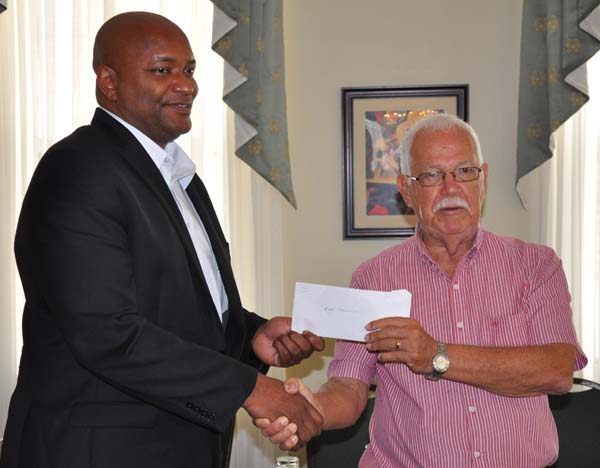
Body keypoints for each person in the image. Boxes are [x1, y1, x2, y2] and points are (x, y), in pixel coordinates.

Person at [0, 12, 324, 468]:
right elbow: (106, 332)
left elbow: (178, 313)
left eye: (189, 70)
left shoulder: (179, 177)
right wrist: (250, 389)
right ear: (108, 82)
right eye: (162, 70)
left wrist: (251, 337)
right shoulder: (78, 169)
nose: (186, 85)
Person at [258, 113, 587, 467]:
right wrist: (311, 409)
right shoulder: (374, 277)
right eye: (431, 176)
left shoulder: (536, 266)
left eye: (464, 171)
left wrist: (435, 355)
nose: (450, 188)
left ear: (484, 179)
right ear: (406, 189)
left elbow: (557, 370)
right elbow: (349, 387)